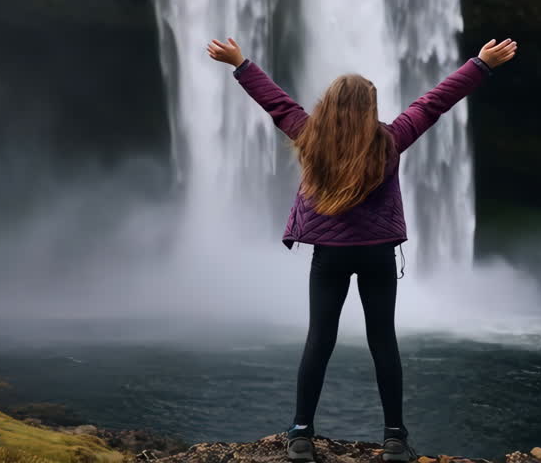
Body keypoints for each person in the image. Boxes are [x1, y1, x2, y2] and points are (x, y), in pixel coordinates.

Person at [206, 36, 517, 463]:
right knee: (382, 340)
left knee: (319, 339)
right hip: (377, 255)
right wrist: (481, 64)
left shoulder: (308, 136)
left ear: (328, 106)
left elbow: (276, 103)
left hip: (329, 254)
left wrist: (240, 64)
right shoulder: (389, 140)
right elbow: (433, 103)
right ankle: (394, 439)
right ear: (370, 110)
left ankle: (300, 434)